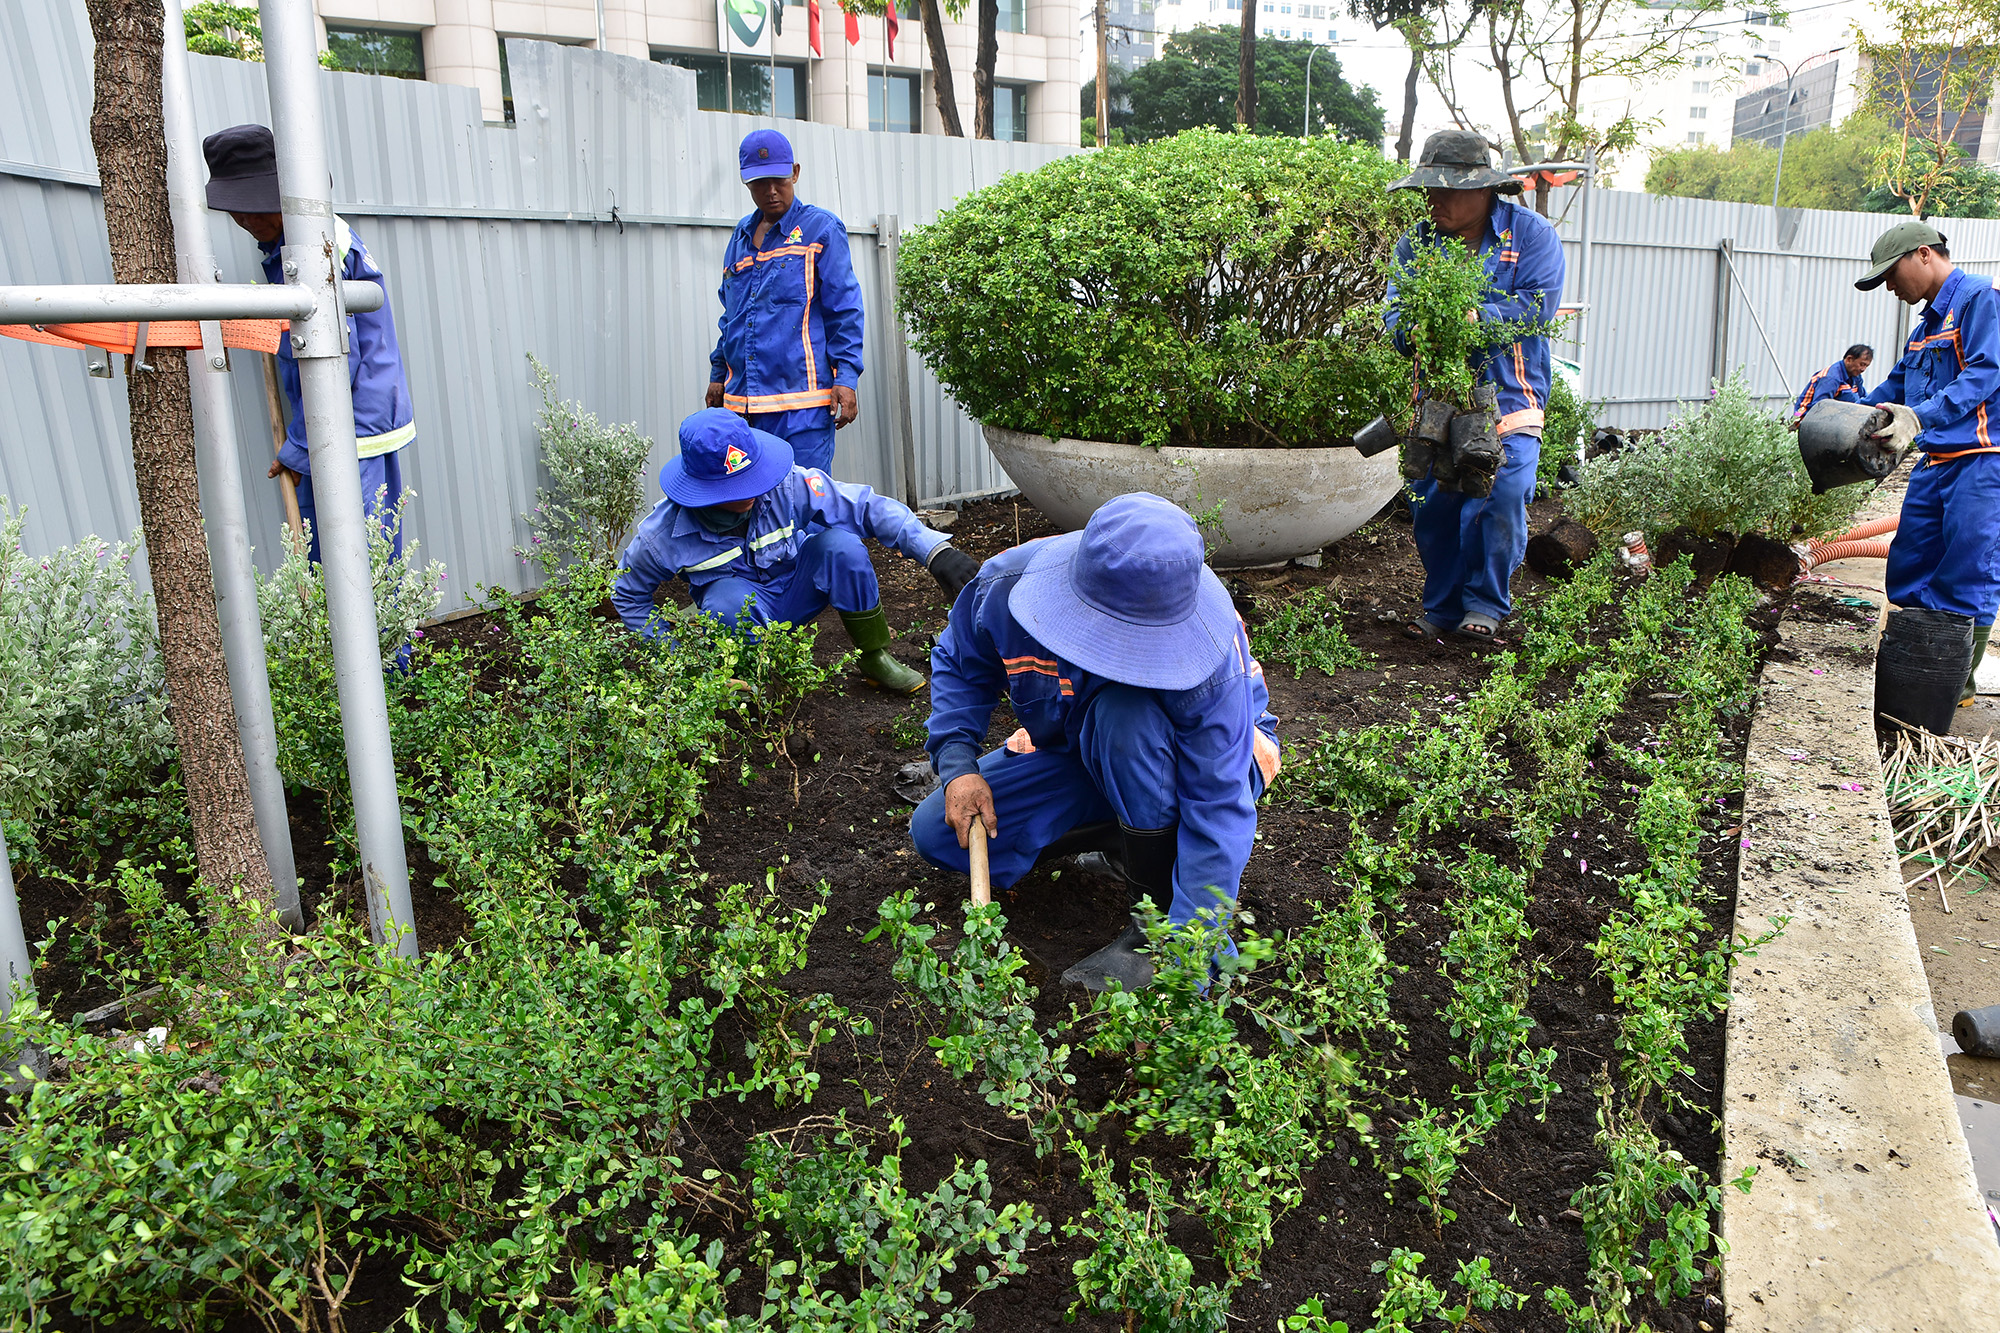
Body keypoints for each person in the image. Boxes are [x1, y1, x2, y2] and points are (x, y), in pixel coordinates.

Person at [909, 493, 1282, 992]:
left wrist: (1190, 952)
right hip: (1087, 750)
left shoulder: (1208, 659)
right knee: (937, 832)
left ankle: (1152, 928)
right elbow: (960, 664)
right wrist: (959, 766)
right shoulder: (1005, 589)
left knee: (1126, 717)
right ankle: (1123, 838)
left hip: (1203, 761)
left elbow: (1217, 805)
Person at [612, 409, 978, 692]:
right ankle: (749, 681)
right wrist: (680, 660)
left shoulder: (785, 485)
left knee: (841, 547)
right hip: (739, 616)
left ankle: (874, 656)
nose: (751, 491)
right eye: (734, 486)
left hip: (798, 589)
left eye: (751, 477)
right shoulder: (663, 534)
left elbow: (863, 506)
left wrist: (934, 551)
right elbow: (628, 596)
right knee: (727, 600)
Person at [203, 123, 415, 565]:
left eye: (251, 210)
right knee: (332, 563)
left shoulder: (316, 251)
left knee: (360, 565)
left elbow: (337, 360)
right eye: (235, 213)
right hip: (335, 427)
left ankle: (390, 640)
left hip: (353, 427)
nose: (244, 222)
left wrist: (298, 447)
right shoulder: (291, 241)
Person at [1384, 130, 1567, 642]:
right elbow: (1393, 315)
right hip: (1437, 400)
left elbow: (1537, 307)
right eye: (1428, 188)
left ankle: (1485, 604)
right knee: (1433, 502)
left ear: (1483, 189)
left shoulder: (1529, 236)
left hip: (1511, 396)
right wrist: (1412, 327)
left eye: (1445, 188)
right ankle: (1441, 608)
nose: (1433, 199)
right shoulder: (1415, 243)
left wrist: (1473, 317)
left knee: (1501, 492)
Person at [1853, 220, 2000, 735]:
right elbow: (1893, 387)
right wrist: (1843, 414)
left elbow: (1985, 372)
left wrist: (1920, 417)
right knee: (1910, 567)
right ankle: (1910, 679)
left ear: (1923, 255)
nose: (1891, 289)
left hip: (1983, 461)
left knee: (1967, 573)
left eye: (1891, 276)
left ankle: (1953, 686)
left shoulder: (1982, 300)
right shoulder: (1923, 329)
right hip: (1936, 464)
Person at [704, 130, 862, 475]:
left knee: (804, 506)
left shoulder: (820, 229)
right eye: (760, 183)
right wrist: (719, 375)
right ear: (746, 183)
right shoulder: (740, 238)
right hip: (742, 410)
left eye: (778, 179)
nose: (771, 191)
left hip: (801, 410)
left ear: (795, 172)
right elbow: (732, 317)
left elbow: (845, 310)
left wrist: (846, 378)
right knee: (751, 507)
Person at [1792, 343, 1875, 422]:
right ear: (1849, 359)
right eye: (1862, 364)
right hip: (1803, 418)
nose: (1863, 369)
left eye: (1866, 366)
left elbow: (1863, 399)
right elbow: (1819, 407)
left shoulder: (1856, 376)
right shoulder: (1831, 378)